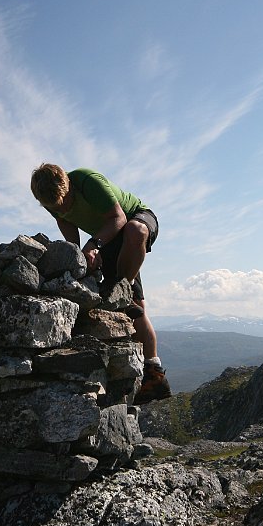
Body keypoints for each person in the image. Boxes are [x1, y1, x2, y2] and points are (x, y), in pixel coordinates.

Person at [30, 163, 171, 403]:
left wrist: (94, 245)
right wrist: (76, 260)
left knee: (136, 231)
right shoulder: (52, 198)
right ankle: (154, 375)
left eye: (65, 201)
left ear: (68, 185)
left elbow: (119, 217)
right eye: (54, 207)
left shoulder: (88, 181)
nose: (61, 208)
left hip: (133, 219)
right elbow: (67, 225)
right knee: (136, 308)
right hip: (110, 238)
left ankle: (121, 291)